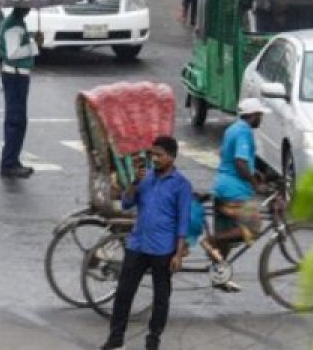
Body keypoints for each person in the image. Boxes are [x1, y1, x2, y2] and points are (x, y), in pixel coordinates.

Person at [100, 136, 194, 350]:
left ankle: (153, 339)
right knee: (124, 293)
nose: (155, 159)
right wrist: (134, 182)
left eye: (159, 155)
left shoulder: (181, 185)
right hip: (137, 245)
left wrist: (178, 254)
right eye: (153, 154)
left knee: (161, 297)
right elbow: (126, 203)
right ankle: (116, 338)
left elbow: (183, 222)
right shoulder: (145, 178)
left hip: (163, 250)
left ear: (171, 157)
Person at [209, 98, 270, 292]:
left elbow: (225, 154)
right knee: (253, 227)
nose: (261, 119)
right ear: (252, 116)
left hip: (222, 186)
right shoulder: (244, 132)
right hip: (234, 192)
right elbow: (240, 162)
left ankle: (219, 277)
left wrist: (256, 172)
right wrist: (255, 184)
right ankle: (211, 241)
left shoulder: (233, 129)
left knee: (226, 237)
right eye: (260, 115)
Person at [0, 7, 41, 179]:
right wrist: (32, 46)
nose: (29, 8)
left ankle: (13, 160)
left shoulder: (18, 23)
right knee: (16, 120)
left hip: (18, 75)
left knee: (19, 120)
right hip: (15, 76)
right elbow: (13, 53)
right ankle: (9, 163)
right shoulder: (14, 26)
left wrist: (33, 43)